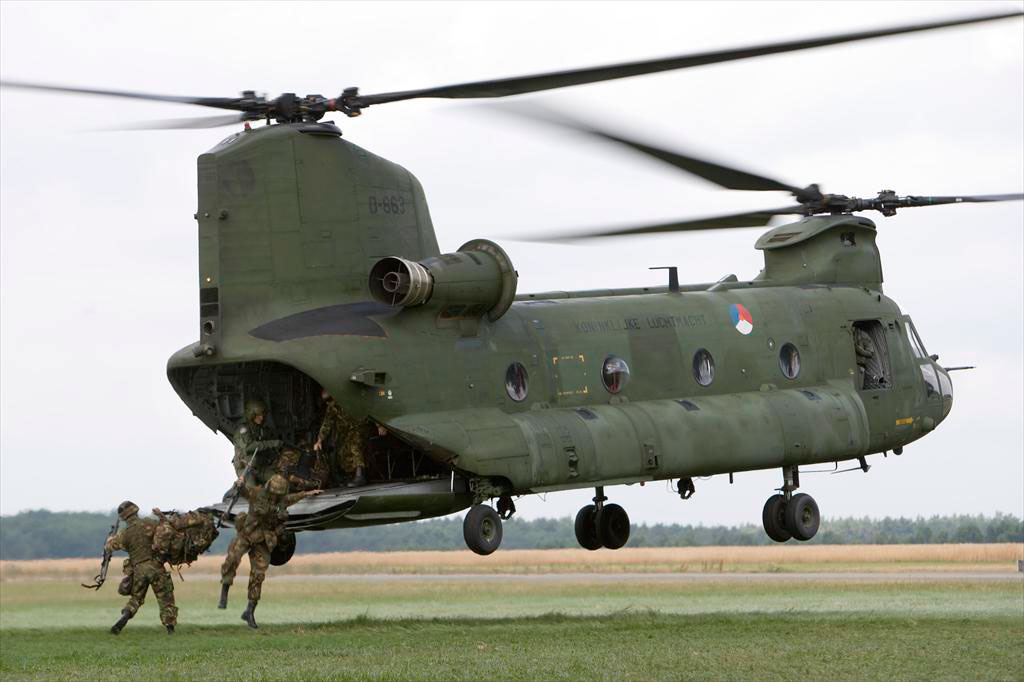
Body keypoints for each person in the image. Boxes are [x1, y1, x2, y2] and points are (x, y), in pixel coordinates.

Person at [218, 474, 320, 628]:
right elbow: (242, 491)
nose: (275, 496)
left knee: (258, 575)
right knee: (232, 559)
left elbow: (293, 498)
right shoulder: (256, 493)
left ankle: (249, 611)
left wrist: (307, 494)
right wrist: (238, 484)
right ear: (269, 489)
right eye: (274, 493)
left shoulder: (282, 501)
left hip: (263, 541)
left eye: (279, 494)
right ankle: (224, 593)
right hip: (247, 534)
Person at [106, 501, 177, 635]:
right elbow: (165, 530)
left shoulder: (124, 534)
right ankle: (170, 630)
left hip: (139, 570)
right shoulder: (149, 523)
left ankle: (124, 617)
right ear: (136, 511)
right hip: (156, 566)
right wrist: (161, 516)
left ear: (123, 517)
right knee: (165, 599)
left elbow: (110, 546)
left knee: (136, 599)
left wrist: (110, 538)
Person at [314, 389, 372, 487]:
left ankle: (360, 476)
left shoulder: (348, 401)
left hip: (360, 427)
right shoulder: (331, 408)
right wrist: (319, 440)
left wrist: (379, 425)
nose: (328, 403)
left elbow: (367, 408)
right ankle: (354, 475)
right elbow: (327, 424)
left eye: (329, 399)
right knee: (343, 453)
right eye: (326, 401)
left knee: (354, 447)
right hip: (346, 432)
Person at [233, 399, 282, 489]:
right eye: (258, 415)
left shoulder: (260, 430)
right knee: (254, 492)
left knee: (280, 482)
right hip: (246, 469)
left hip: (260, 468)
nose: (262, 418)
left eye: (262, 415)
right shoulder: (243, 430)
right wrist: (273, 443)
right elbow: (248, 447)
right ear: (252, 415)